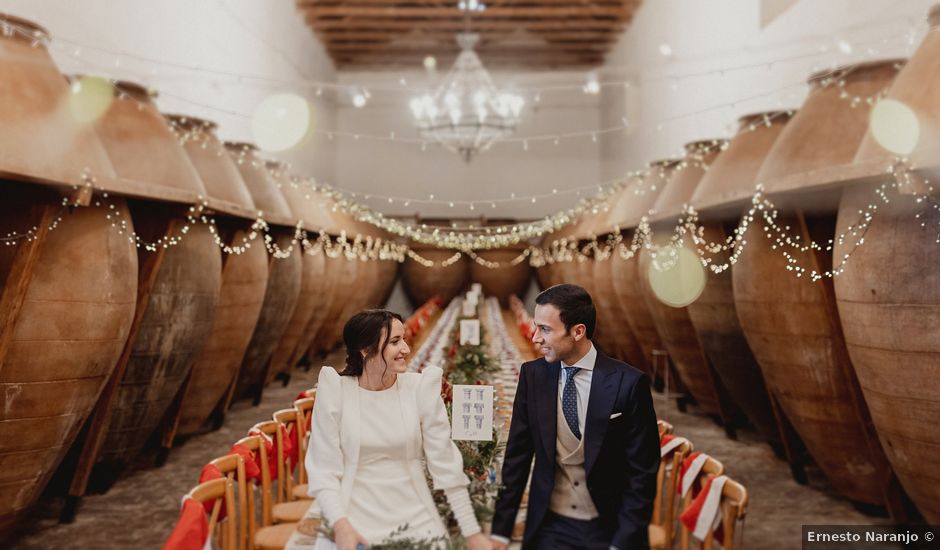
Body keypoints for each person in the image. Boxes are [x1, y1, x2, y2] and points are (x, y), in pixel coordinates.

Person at [490, 284, 660, 550]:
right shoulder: (533, 376)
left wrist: (622, 542)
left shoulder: (629, 383)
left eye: (545, 329)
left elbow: (643, 474)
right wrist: (501, 531)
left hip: (608, 528)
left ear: (578, 331)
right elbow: (517, 457)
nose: (535, 338)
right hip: (549, 524)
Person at [306, 309, 490, 550]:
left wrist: (472, 533)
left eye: (403, 339)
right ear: (365, 349)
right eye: (395, 341)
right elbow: (323, 470)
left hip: (416, 516)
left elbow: (446, 466)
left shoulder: (419, 389)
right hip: (352, 517)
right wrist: (341, 527)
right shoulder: (336, 391)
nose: (405, 348)